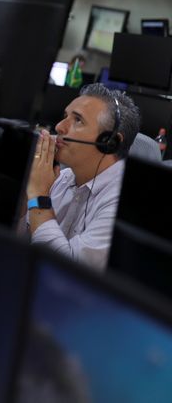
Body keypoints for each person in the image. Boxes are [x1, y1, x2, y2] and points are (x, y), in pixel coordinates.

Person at [24, 83, 139, 270]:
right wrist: (27, 190)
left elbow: (67, 274)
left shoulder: (125, 204)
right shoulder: (60, 177)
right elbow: (19, 240)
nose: (60, 127)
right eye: (64, 117)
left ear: (109, 142)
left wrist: (38, 196)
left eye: (78, 120)